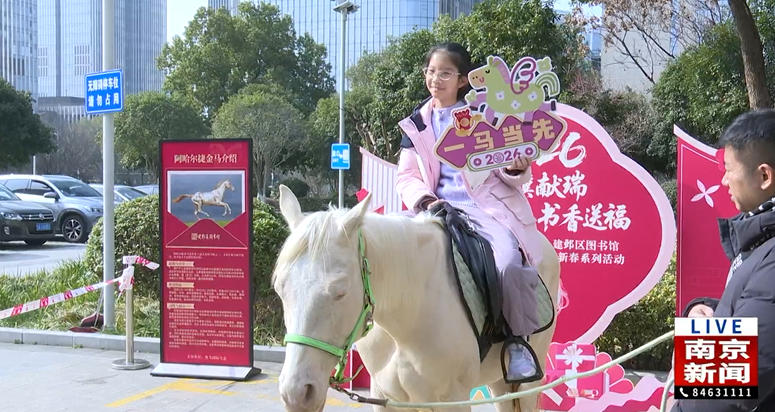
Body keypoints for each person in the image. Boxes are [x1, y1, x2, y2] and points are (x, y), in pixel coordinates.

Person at [395, 42, 551, 382]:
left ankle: (516, 343)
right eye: (431, 72)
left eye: (445, 73)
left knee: (507, 262)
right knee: (386, 246)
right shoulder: (416, 124)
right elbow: (406, 176)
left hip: (483, 208)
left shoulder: (485, 115)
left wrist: (514, 166)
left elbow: (506, 166)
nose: (435, 79)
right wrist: (425, 200)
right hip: (435, 207)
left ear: (462, 80)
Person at [672, 109, 775, 412]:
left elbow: (732, 383)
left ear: (764, 176)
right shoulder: (761, 243)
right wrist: (702, 310)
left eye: (729, 169)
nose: (724, 180)